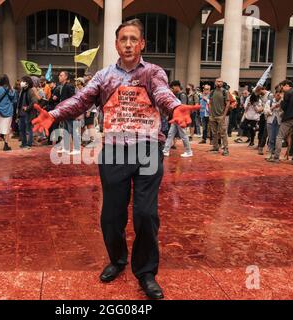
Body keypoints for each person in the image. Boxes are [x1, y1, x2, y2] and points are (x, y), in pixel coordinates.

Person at [31, 18, 198, 299]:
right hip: (114, 152)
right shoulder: (104, 76)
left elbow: (162, 93)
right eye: (124, 39)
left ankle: (145, 272)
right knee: (112, 216)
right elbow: (81, 99)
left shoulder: (153, 73)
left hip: (147, 150)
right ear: (116, 44)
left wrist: (176, 107)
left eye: (134, 39)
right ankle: (118, 259)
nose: (129, 44)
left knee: (146, 215)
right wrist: (55, 114)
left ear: (142, 43)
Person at [267, 80, 293, 165]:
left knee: (279, 137)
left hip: (288, 118)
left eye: (282, 87)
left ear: (286, 85)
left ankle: (276, 157)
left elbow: (284, 107)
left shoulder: (287, 93)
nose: (282, 89)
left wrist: (282, 99)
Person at [163, 81, 193, 158]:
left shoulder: (182, 95)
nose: (172, 89)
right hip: (176, 117)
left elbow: (181, 106)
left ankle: (188, 151)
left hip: (180, 118)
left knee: (183, 135)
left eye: (173, 88)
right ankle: (166, 150)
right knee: (170, 134)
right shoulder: (178, 94)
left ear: (177, 86)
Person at [0, 75, 16, 151]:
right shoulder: (10, 89)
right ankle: (6, 145)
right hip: (8, 110)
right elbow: (13, 99)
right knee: (7, 128)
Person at [16, 76, 40, 149]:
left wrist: (27, 108)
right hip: (21, 113)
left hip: (28, 113)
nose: (21, 82)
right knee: (21, 129)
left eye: (23, 81)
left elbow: (35, 101)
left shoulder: (30, 91)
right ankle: (24, 143)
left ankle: (29, 144)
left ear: (27, 82)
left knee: (29, 129)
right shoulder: (22, 91)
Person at [209, 78, 230, 156]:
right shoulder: (212, 92)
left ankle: (225, 149)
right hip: (212, 116)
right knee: (214, 133)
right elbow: (210, 103)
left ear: (222, 83)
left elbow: (228, 104)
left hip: (221, 116)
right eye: (218, 81)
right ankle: (215, 147)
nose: (219, 83)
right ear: (215, 83)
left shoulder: (225, 92)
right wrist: (210, 113)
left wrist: (224, 115)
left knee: (223, 133)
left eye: (220, 81)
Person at [264, 90, 284, 160]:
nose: (279, 97)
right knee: (271, 138)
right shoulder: (269, 102)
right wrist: (273, 107)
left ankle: (276, 154)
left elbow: (283, 113)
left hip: (279, 122)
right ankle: (270, 152)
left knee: (278, 139)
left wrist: (280, 108)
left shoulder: (283, 103)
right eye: (278, 95)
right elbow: (266, 112)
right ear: (275, 95)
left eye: (280, 95)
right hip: (270, 121)